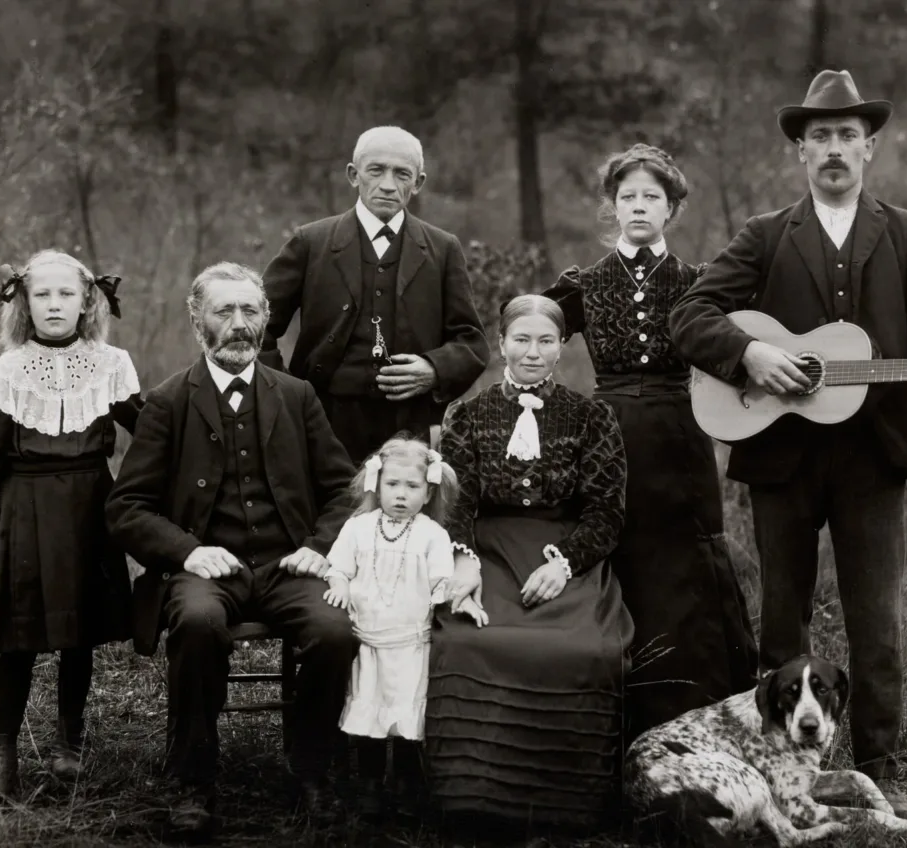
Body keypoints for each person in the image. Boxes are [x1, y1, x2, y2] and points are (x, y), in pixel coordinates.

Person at [669, 70, 907, 820]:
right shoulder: (767, 235)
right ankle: (782, 767)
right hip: (782, 458)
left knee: (876, 623)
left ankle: (881, 770)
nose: (835, 149)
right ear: (799, 152)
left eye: (848, 136)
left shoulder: (906, 233)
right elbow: (691, 312)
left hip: (873, 456)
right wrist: (749, 357)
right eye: (820, 138)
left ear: (869, 148)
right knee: (782, 618)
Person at [105, 262, 358, 838]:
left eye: (250, 311)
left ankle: (314, 768)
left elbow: (345, 489)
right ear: (198, 322)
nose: (239, 324)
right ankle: (193, 777)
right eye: (225, 311)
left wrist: (321, 548)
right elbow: (127, 508)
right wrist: (188, 552)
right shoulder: (169, 402)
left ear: (268, 320)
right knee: (195, 623)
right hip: (205, 571)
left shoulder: (297, 396)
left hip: (289, 565)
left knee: (336, 630)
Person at [544, 144, 758, 740]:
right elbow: (528, 329)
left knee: (685, 556)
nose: (638, 207)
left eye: (652, 198)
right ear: (611, 207)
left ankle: (700, 703)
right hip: (607, 434)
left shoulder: (699, 283)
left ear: (673, 209)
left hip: (680, 435)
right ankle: (612, 710)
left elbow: (746, 339)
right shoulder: (583, 283)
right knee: (615, 549)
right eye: (627, 197)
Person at [425, 294, 634, 834]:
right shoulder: (467, 414)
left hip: (564, 552)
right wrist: (462, 560)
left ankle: (570, 806)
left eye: (546, 341)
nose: (533, 352)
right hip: (488, 551)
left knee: (583, 648)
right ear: (501, 345)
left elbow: (606, 512)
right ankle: (469, 801)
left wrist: (565, 563)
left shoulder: (592, 415)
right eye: (521, 339)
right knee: (465, 639)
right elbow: (458, 501)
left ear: (563, 348)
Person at [0, 250, 142, 803]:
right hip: (24, 511)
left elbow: (154, 431)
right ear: (23, 302)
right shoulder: (3, 373)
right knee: (19, 639)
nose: (55, 305)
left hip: (90, 508)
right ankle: (2, 757)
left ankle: (69, 743)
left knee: (77, 633)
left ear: (87, 301)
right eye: (42, 295)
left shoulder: (111, 364)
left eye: (66, 294)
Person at [258, 125, 490, 463]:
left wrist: (433, 369)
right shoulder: (312, 242)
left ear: (418, 183)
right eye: (376, 170)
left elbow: (471, 342)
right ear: (354, 175)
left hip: (408, 431)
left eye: (401, 174)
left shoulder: (443, 249)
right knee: (328, 513)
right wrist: (286, 393)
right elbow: (255, 325)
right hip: (320, 423)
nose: (387, 185)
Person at [322, 436, 485, 819]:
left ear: (428, 493)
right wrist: (340, 585)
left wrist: (463, 598)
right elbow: (339, 567)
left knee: (409, 716)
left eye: (412, 487)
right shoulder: (358, 527)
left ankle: (408, 783)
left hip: (410, 643)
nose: (400, 495)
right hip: (369, 641)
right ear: (375, 485)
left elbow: (442, 583)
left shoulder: (433, 534)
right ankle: (370, 784)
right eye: (392, 484)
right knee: (370, 714)